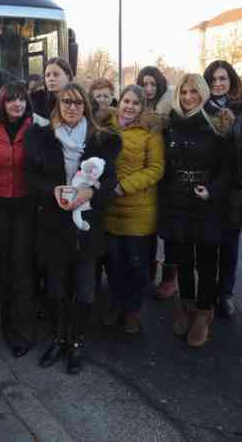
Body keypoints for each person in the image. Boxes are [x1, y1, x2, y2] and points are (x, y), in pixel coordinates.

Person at [25, 83, 121, 374]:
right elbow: (32, 177)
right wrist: (52, 190)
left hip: (87, 225)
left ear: (86, 108)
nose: (71, 107)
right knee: (56, 286)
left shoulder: (100, 141)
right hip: (54, 223)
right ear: (57, 105)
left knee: (85, 287)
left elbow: (110, 182)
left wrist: (90, 194)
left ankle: (77, 341)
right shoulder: (41, 138)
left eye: (78, 103)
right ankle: (58, 337)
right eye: (66, 101)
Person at [159, 74, 234, 348]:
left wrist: (212, 190)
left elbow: (228, 169)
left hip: (206, 204)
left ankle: (204, 312)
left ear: (203, 93)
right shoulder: (170, 124)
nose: (189, 97)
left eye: (194, 92)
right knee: (183, 261)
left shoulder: (219, 123)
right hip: (177, 202)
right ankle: (187, 307)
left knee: (206, 261)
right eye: (184, 92)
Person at [0, 81, 47, 356]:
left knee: (22, 266)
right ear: (2, 103)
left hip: (26, 204)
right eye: (11, 100)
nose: (17, 104)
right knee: (5, 265)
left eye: (21, 100)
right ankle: (7, 322)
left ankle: (23, 331)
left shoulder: (37, 127)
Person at [101, 85, 165, 334]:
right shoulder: (107, 126)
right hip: (110, 208)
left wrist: (124, 186)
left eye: (135, 103)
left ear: (142, 107)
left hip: (139, 211)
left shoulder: (150, 132)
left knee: (136, 265)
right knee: (114, 264)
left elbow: (156, 168)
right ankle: (117, 304)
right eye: (126, 101)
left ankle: (133, 311)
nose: (129, 106)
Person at [203, 60, 242, 318]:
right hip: (208, 185)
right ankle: (207, 294)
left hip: (235, 187)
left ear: (231, 80)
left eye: (223, 78)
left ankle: (225, 293)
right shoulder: (201, 107)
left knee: (230, 247)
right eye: (213, 80)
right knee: (208, 245)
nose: (218, 84)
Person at [136, 65, 178, 300]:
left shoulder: (170, 110)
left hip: (169, 175)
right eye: (144, 84)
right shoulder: (137, 108)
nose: (149, 89)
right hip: (145, 174)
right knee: (148, 229)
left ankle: (169, 277)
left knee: (168, 229)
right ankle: (149, 273)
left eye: (153, 84)